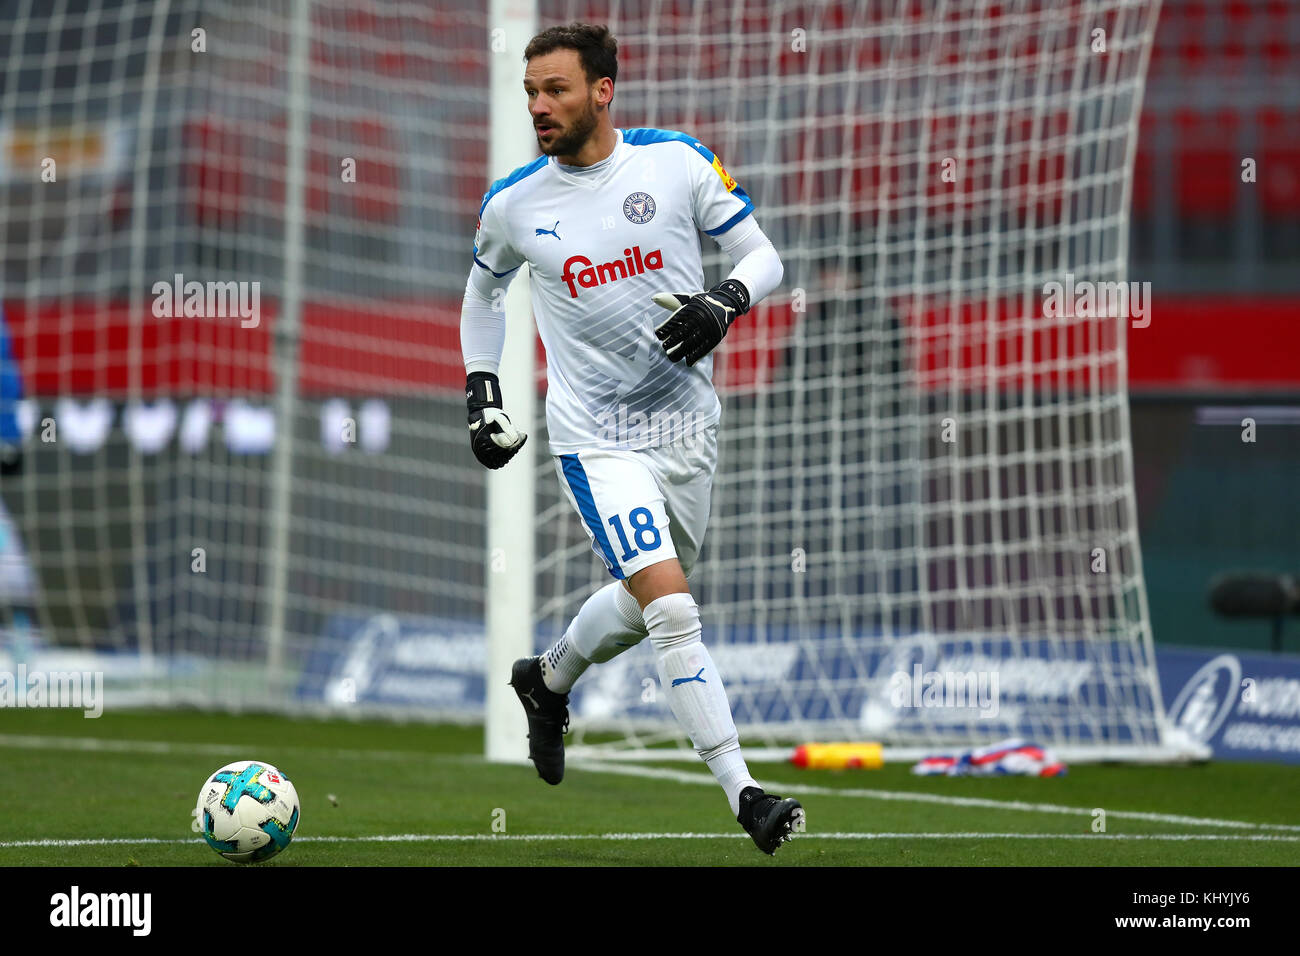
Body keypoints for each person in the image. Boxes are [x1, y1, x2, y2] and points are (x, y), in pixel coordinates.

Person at [459, 22, 801, 854]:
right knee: (674, 607)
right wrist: (482, 390)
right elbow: (483, 297)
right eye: (531, 91)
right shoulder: (514, 203)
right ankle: (744, 793)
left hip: (688, 429)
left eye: (557, 90)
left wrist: (722, 301)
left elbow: (765, 258)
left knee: (649, 599)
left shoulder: (677, 163)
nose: (539, 106)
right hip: (596, 440)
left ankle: (548, 681)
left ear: (602, 90)